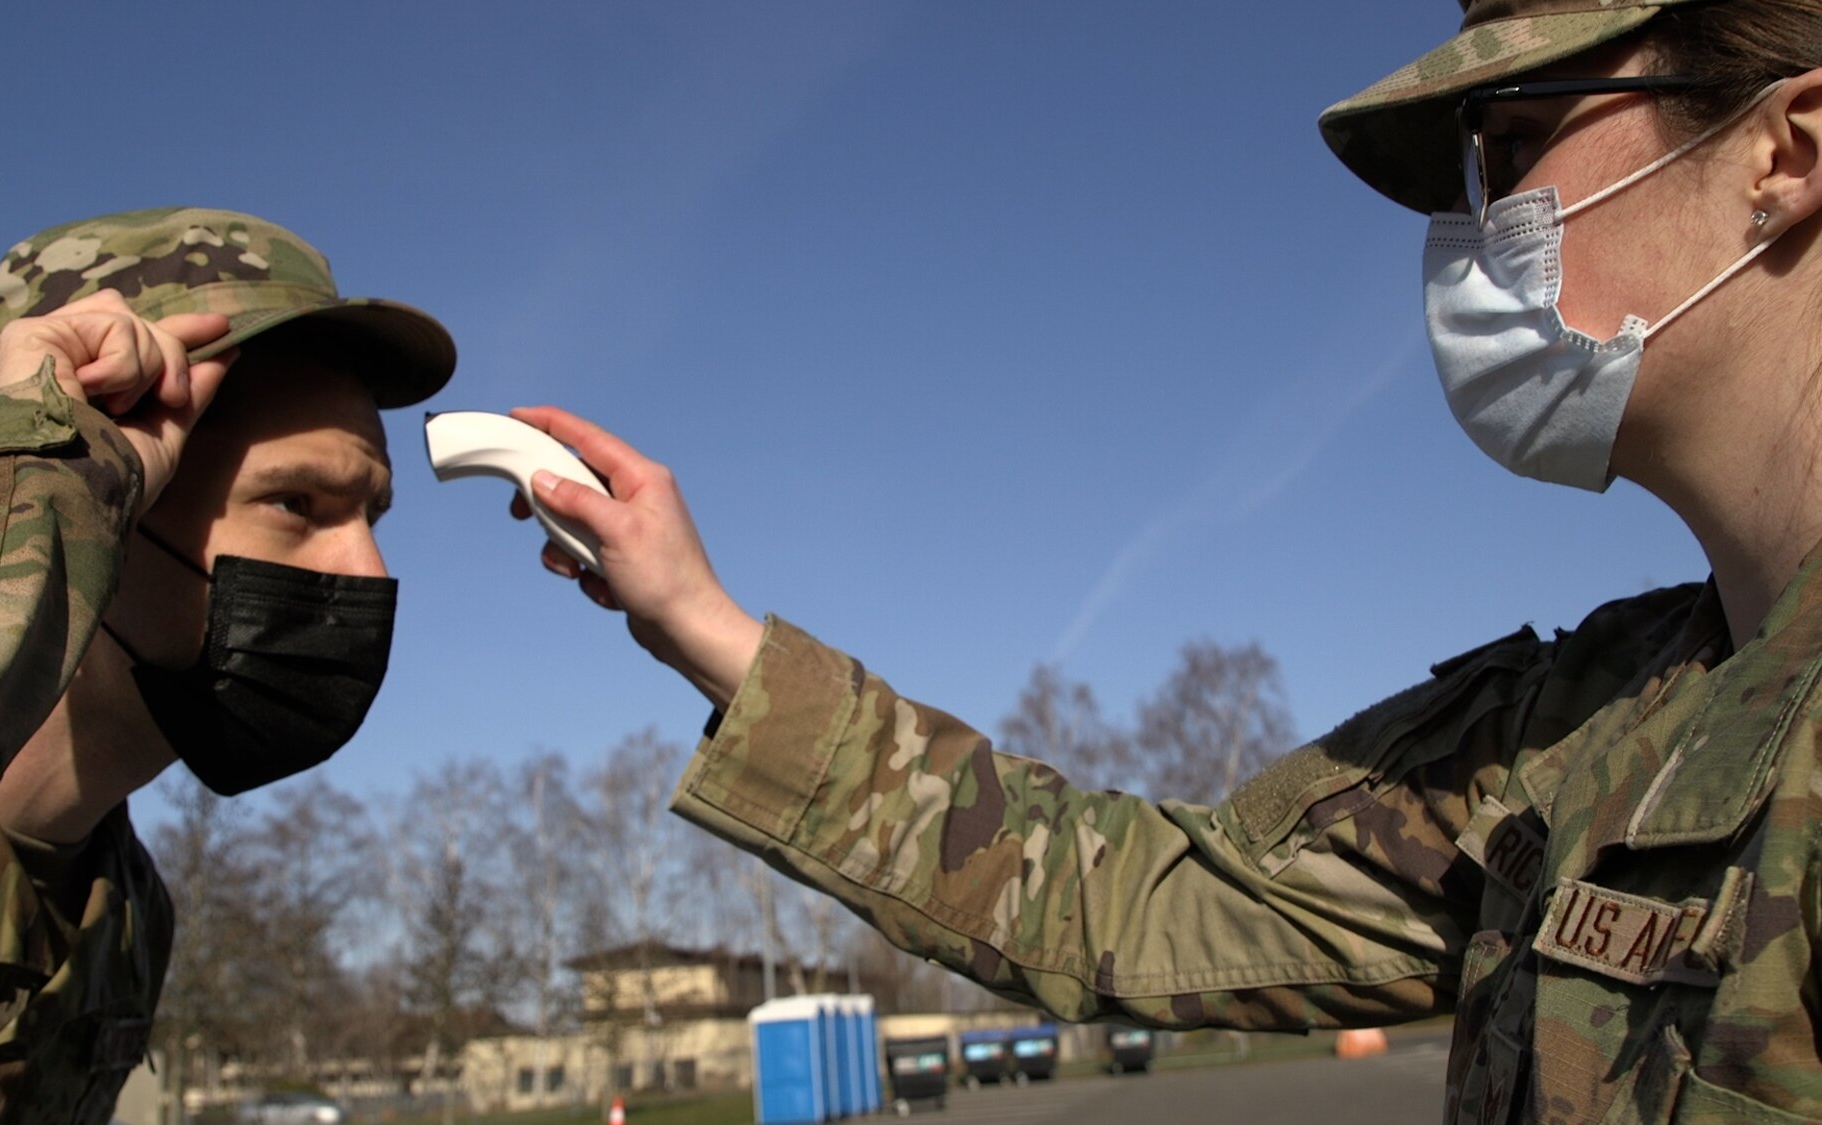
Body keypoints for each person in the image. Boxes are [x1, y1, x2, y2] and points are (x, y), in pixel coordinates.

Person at [509, 1, 1822, 1120]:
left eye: (1520, 144)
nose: (1477, 231)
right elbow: (1131, 904)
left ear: (1786, 149)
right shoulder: (1572, 736)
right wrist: (704, 626)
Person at [0, 207, 455, 1122]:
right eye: (296, 502)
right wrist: (49, 460)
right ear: (97, 504)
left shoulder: (122, 918)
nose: (370, 572)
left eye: (374, 516)